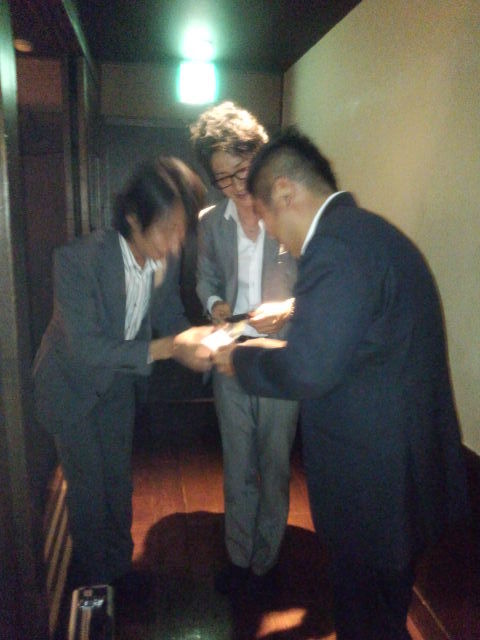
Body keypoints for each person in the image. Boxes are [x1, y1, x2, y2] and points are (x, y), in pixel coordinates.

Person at [209, 128, 469, 638]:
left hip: (373, 490)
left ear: (285, 192)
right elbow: (353, 350)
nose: (274, 237)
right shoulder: (370, 234)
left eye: (267, 218)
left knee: (365, 620)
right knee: (383, 615)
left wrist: (237, 358)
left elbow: (309, 368)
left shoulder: (333, 248)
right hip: (400, 478)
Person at [32, 157, 211, 593]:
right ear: (133, 216)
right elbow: (86, 348)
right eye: (167, 229)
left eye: (181, 230)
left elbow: (169, 315)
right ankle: (96, 582)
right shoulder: (77, 260)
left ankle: (119, 564)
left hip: (119, 383)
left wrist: (202, 342)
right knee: (88, 490)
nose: (174, 242)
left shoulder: (165, 258)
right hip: (70, 385)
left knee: (118, 480)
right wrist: (170, 348)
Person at [189, 102, 299, 594]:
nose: (235, 186)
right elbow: (206, 278)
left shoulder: (289, 210)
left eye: (242, 171)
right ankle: (238, 560)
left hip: (280, 354)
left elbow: (317, 282)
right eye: (222, 178)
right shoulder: (211, 221)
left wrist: (289, 308)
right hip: (230, 352)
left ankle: (267, 562)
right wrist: (215, 304)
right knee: (238, 464)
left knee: (274, 464)